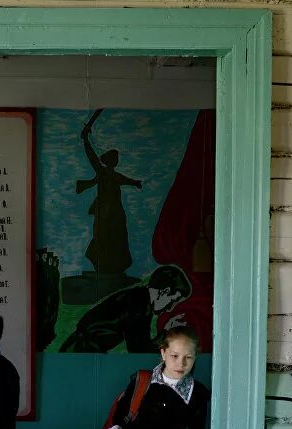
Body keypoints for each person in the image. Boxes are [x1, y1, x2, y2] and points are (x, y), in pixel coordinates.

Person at [59, 264, 192, 354]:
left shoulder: (139, 298)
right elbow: (140, 352)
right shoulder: (139, 305)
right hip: (79, 353)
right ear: (164, 292)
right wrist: (166, 334)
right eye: (173, 300)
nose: (170, 308)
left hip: (79, 352)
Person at [76, 109, 143, 275]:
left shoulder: (115, 175)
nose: (116, 161)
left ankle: (115, 267)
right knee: (103, 237)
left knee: (118, 236)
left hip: (116, 212)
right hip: (104, 211)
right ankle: (103, 266)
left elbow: (126, 180)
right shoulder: (102, 171)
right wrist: (86, 140)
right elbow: (91, 155)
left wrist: (135, 183)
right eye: (114, 158)